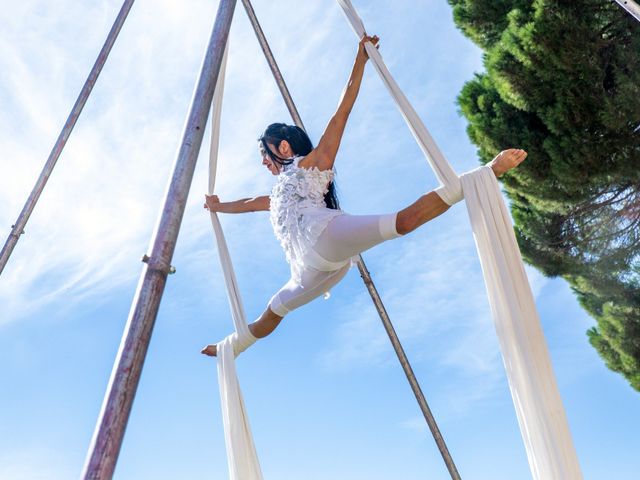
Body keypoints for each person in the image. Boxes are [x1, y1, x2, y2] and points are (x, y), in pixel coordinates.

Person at [201, 35, 527, 357]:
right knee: (271, 313)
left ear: (283, 147)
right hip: (306, 271)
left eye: (264, 154)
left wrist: (361, 59)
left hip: (329, 236)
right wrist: (218, 206)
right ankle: (234, 346)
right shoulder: (278, 193)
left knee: (404, 222)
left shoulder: (314, 164)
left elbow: (341, 112)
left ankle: (483, 174)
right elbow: (249, 204)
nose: (263, 162)